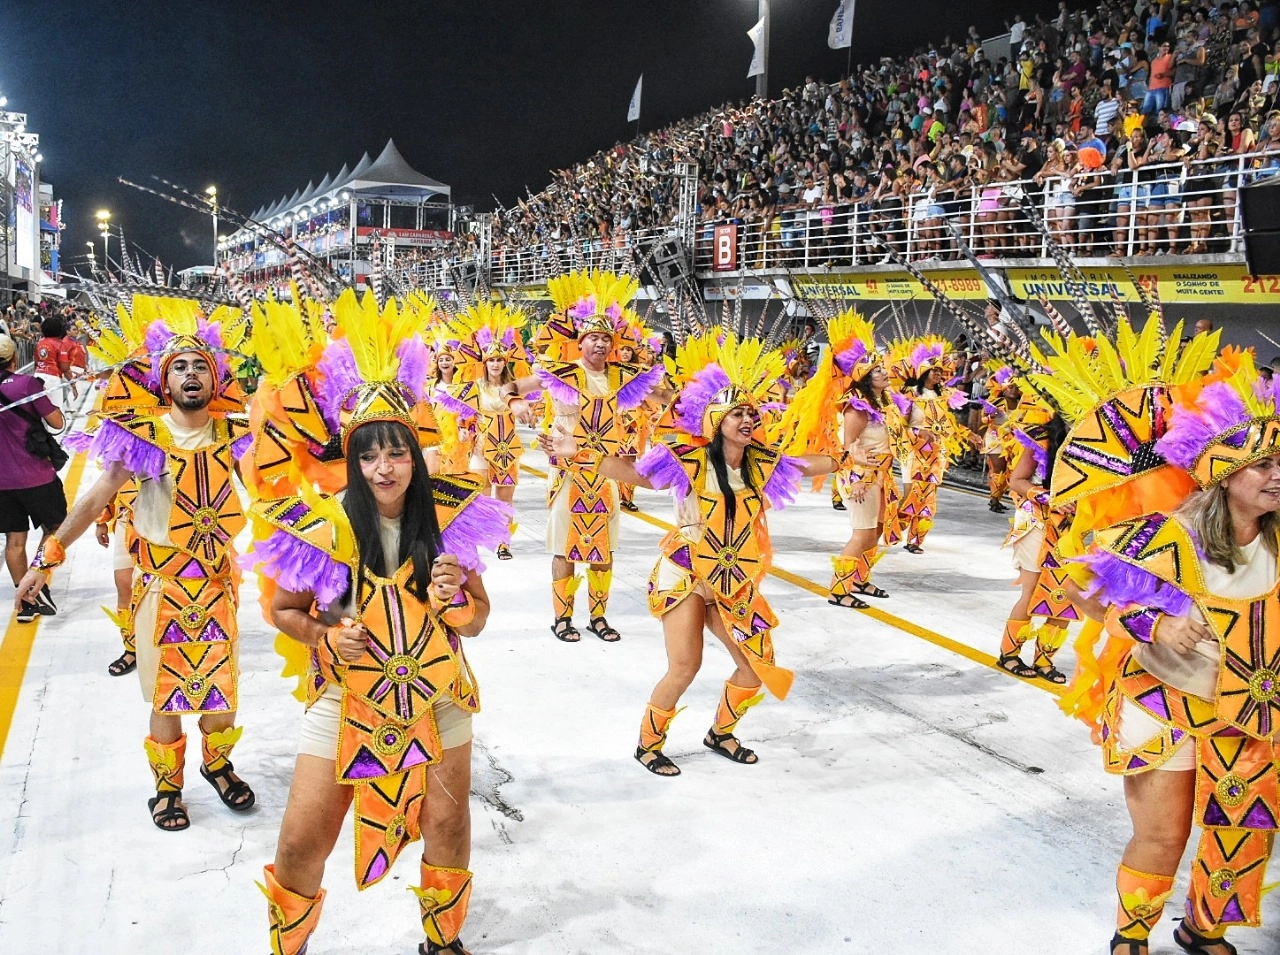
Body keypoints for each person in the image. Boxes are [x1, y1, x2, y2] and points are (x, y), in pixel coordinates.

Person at [1066, 350, 1280, 955]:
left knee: (1241, 831)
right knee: (1163, 835)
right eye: (1261, 463)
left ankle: (1202, 927)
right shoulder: (1169, 535)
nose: (1276, 474)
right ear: (1222, 470)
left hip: (1250, 711)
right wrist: (1149, 623)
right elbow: (1078, 588)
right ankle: (1132, 932)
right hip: (1163, 702)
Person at [551, 331, 838, 776]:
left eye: (750, 413)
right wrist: (579, 453)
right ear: (716, 419)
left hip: (732, 579)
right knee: (686, 665)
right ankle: (648, 744)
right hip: (685, 571)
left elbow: (805, 463)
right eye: (736, 413)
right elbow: (637, 475)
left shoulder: (762, 462)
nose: (746, 419)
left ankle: (721, 732)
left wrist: (847, 458)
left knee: (756, 667)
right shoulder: (689, 459)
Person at [16, 302, 256, 832]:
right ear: (162, 379)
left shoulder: (236, 435)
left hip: (217, 587)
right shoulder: (142, 437)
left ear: (214, 377)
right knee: (168, 698)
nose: (190, 374)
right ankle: (167, 789)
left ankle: (217, 764)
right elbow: (95, 499)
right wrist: (46, 559)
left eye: (199, 365)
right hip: (162, 590)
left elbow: (273, 495)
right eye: (178, 367)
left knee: (223, 693)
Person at [512, 270, 665, 643]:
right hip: (567, 471)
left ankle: (599, 616)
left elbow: (663, 398)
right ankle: (562, 618)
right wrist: (516, 403)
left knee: (603, 547)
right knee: (564, 545)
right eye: (593, 337)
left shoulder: (624, 376)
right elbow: (514, 387)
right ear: (581, 343)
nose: (599, 344)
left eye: (605, 338)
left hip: (606, 472)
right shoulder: (560, 372)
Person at [0, 333, 64, 623]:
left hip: (2, 483)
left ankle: (25, 600)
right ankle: (36, 583)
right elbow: (57, 422)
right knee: (55, 528)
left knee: (14, 540)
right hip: (37, 476)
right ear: (14, 358)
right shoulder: (26, 385)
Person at [890, 337, 968, 554]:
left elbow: (949, 425)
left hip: (935, 454)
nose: (938, 374)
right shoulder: (909, 394)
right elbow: (897, 424)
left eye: (940, 371)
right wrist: (918, 432)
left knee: (928, 496)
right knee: (910, 495)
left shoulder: (944, 396)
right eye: (934, 370)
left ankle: (915, 540)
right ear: (924, 371)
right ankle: (893, 527)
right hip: (913, 452)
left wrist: (969, 436)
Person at [33, 315, 71, 416]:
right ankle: (56, 431)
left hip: (37, 376)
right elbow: (64, 367)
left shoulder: (39, 343)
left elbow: (36, 362)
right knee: (55, 408)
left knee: (40, 409)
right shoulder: (60, 344)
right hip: (52, 379)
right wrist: (73, 383)